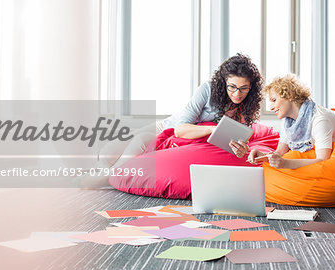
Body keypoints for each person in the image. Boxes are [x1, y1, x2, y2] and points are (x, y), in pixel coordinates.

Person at [80, 54, 263, 188]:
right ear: (223, 83)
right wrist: (212, 129)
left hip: (180, 144)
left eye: (243, 88)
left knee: (141, 141)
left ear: (251, 88)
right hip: (167, 127)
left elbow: (239, 141)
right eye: (232, 87)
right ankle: (104, 173)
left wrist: (242, 149)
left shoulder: (246, 107)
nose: (237, 93)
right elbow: (180, 128)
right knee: (106, 153)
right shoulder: (208, 90)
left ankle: (111, 177)